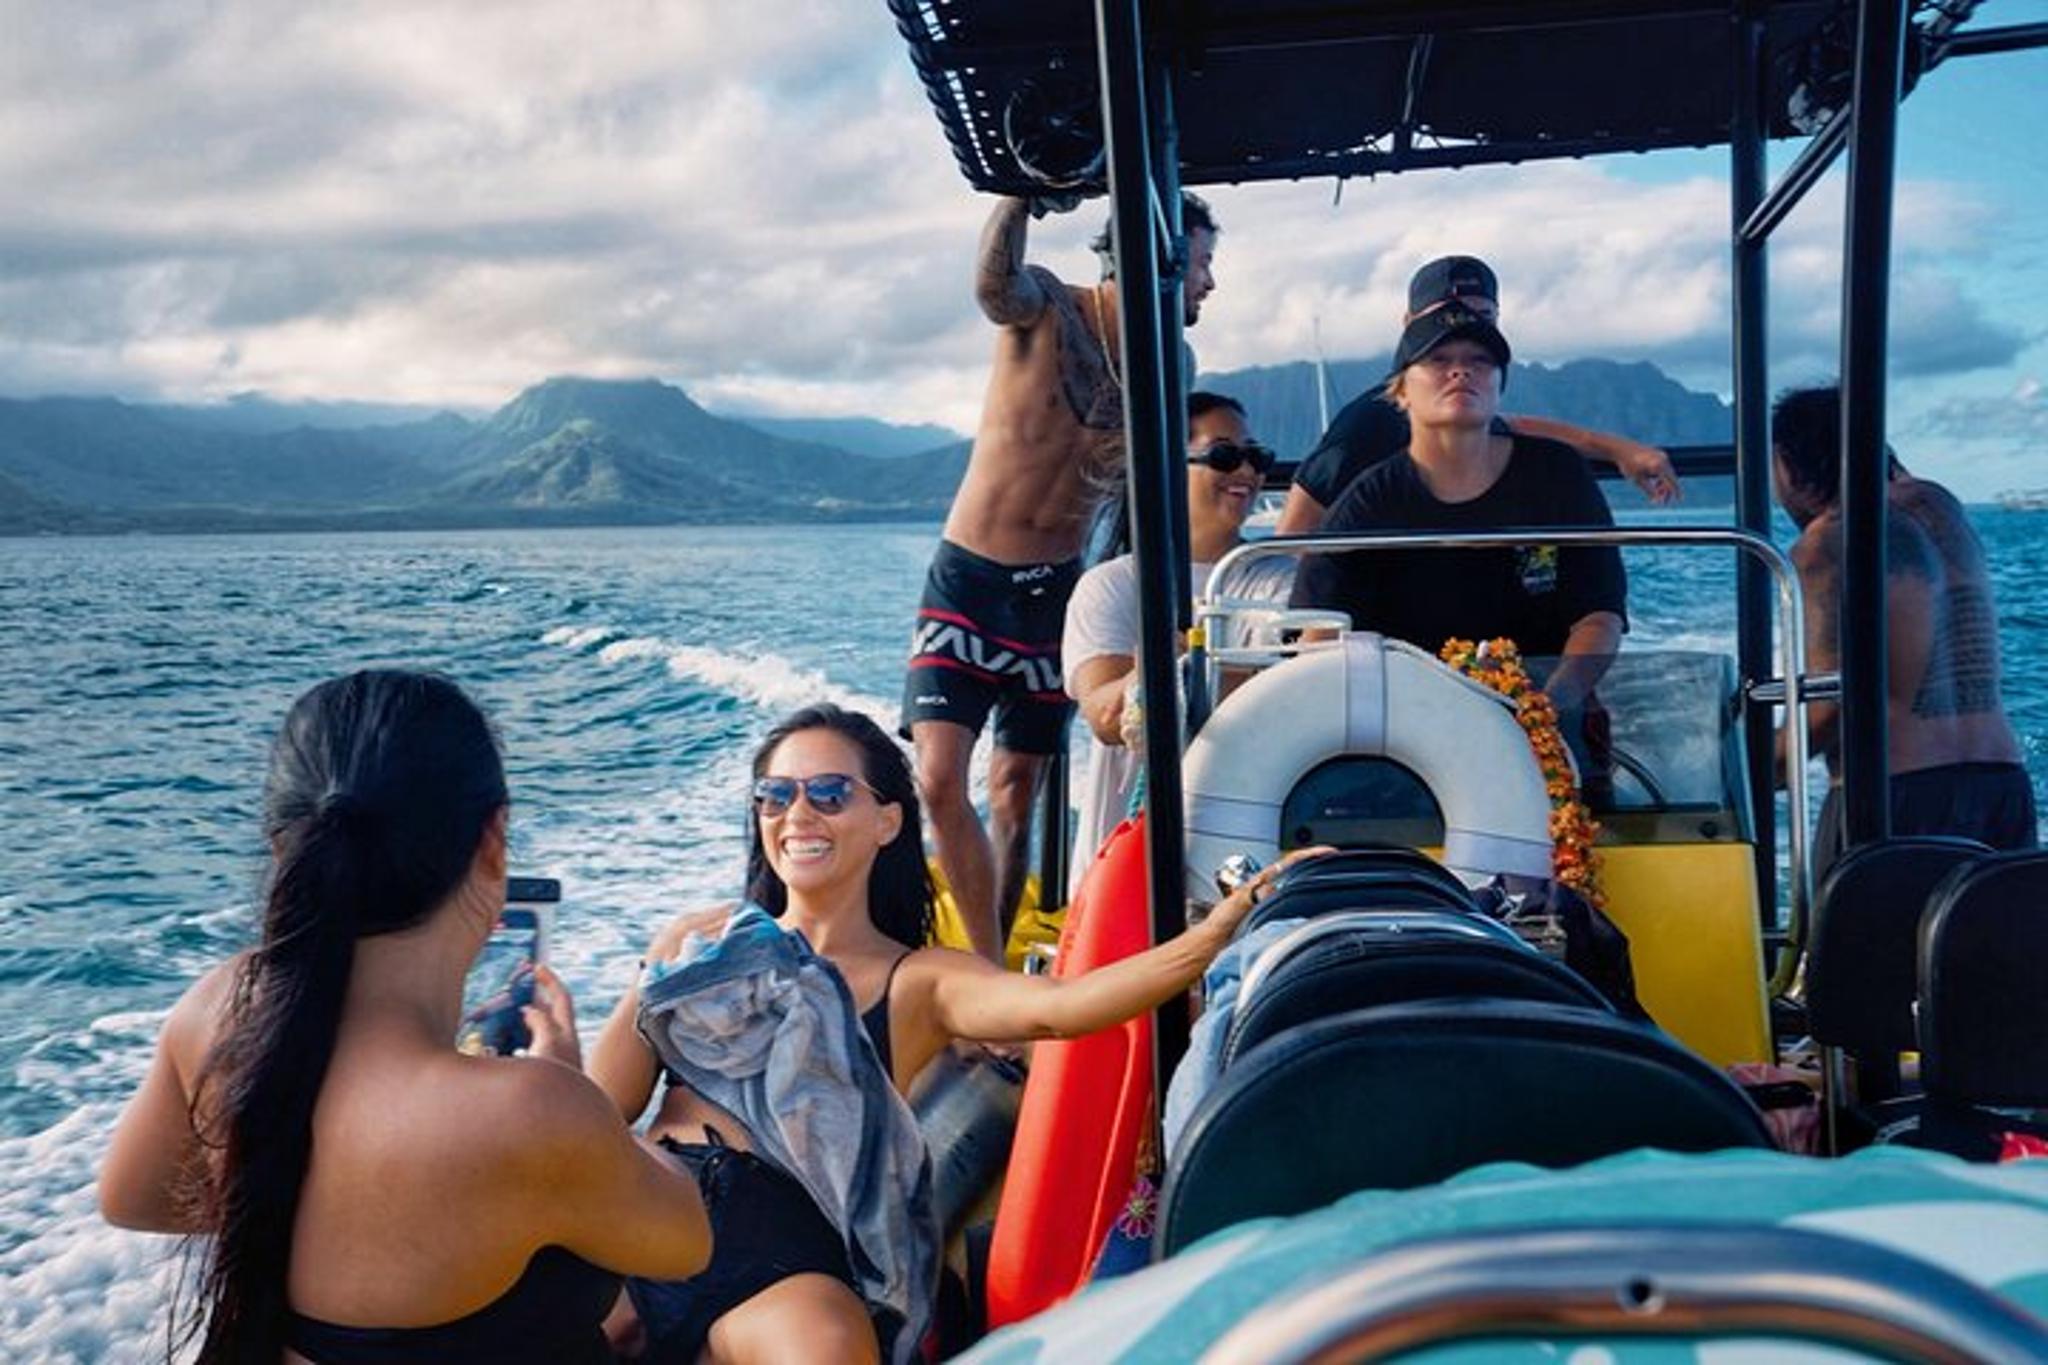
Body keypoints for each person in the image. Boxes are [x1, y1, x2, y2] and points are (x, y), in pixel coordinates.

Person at [590, 702, 1315, 1365]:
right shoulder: (700, 944)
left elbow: (1062, 1008)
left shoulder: (921, 980)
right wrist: (641, 983)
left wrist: (1217, 931)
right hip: (652, 1213)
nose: (798, 813)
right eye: (776, 796)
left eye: (830, 793)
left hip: (783, 1264)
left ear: (888, 820)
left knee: (825, 1350)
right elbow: (600, 1109)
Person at [97, 670, 711, 1365]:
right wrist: (571, 1093)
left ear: (283, 852)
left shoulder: (220, 1003)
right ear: (493, 842)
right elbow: (683, 1241)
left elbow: (134, 1197)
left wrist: (308, 1201)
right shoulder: (532, 1111)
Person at [903, 191, 1220, 962]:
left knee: (1016, 796)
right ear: (1158, 258)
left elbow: (1141, 493)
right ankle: (981, 971)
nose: (1209, 285)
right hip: (970, 580)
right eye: (1203, 264)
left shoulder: (1169, 362)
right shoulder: (1045, 305)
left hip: (1057, 593)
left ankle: (994, 962)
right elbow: (991, 283)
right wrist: (1023, 195)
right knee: (940, 779)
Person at [1289, 292, 1627, 718]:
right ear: (1400, 392)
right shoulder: (1366, 506)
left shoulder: (1558, 475)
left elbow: (1599, 616)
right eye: (1437, 359)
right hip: (1405, 729)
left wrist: (1548, 706)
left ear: (1499, 384)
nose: (1461, 369)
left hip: (1550, 715)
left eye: (1480, 360)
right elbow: (1319, 639)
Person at [1770, 385, 2037, 876]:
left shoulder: (1825, 545)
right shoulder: (1942, 505)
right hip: (2002, 783)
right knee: (1993, 951)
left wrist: (1740, 770)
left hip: (1900, 797)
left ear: (1787, 465)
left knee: (1860, 954)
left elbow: (1830, 711)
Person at [1274, 255, 1681, 535]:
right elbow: (1292, 538)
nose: (1464, 327)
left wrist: (1617, 449)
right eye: (1445, 320)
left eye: (1481, 319)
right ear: (1409, 327)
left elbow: (1512, 427)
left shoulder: (1474, 414)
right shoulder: (1367, 424)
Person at [1063, 390, 1297, 862]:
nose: (1247, 472)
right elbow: (1108, 719)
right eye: (1225, 455)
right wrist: (1179, 668)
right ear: (1168, 466)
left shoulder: (1283, 578)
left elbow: (1292, 701)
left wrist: (1174, 670)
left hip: (1247, 848)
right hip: (1130, 853)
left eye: (1256, 457)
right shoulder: (1111, 585)